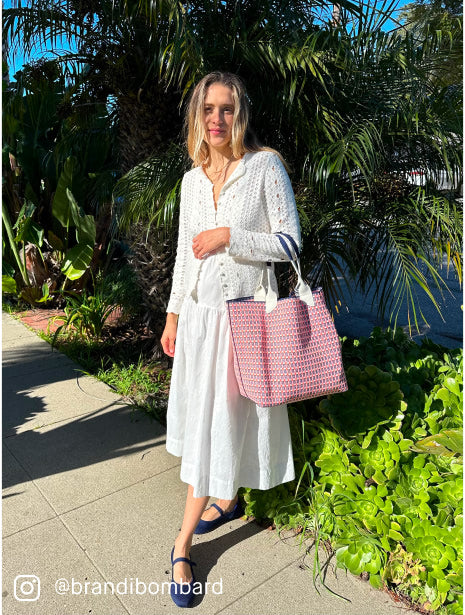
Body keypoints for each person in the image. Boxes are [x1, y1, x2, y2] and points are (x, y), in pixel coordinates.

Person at [160, 71, 302, 607]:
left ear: (239, 115)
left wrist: (230, 237)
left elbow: (290, 243)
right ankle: (228, 496)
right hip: (199, 322)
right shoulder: (191, 180)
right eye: (207, 109)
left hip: (244, 320)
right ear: (196, 115)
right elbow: (181, 255)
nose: (216, 119)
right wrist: (173, 316)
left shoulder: (264, 167)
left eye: (226, 109)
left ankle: (182, 542)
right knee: (211, 420)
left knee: (226, 418)